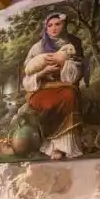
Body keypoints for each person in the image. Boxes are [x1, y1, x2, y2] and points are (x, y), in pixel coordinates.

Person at [21, 11, 90, 159]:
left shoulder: (72, 45)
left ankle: (64, 146)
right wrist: (43, 73)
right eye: (50, 25)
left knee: (69, 96)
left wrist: (63, 62)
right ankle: (49, 146)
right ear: (45, 29)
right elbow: (27, 75)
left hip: (65, 86)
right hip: (42, 88)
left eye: (57, 24)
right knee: (44, 102)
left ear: (64, 25)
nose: (54, 28)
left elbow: (77, 72)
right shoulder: (37, 48)